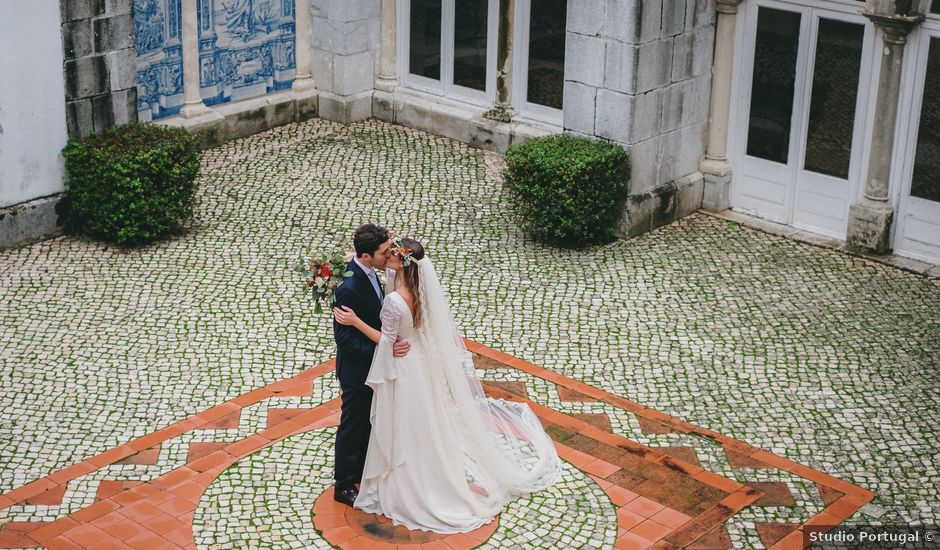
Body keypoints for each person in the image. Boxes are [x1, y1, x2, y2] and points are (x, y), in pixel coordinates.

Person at [333, 236, 562, 533]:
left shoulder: (394, 298)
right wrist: (352, 259)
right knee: (421, 424)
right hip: (417, 363)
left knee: (403, 424)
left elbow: (388, 341)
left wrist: (355, 322)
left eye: (392, 252)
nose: (388, 254)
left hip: (402, 364)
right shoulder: (418, 289)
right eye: (384, 251)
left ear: (401, 262)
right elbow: (371, 264)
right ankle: (422, 477)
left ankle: (405, 483)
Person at [332, 224, 411, 507]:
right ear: (366, 256)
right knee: (352, 425)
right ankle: (343, 485)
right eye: (383, 251)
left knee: (368, 422)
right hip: (357, 371)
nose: (388, 253)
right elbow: (344, 339)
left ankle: (362, 470)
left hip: (374, 367)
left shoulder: (370, 271)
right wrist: (384, 352)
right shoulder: (349, 287)